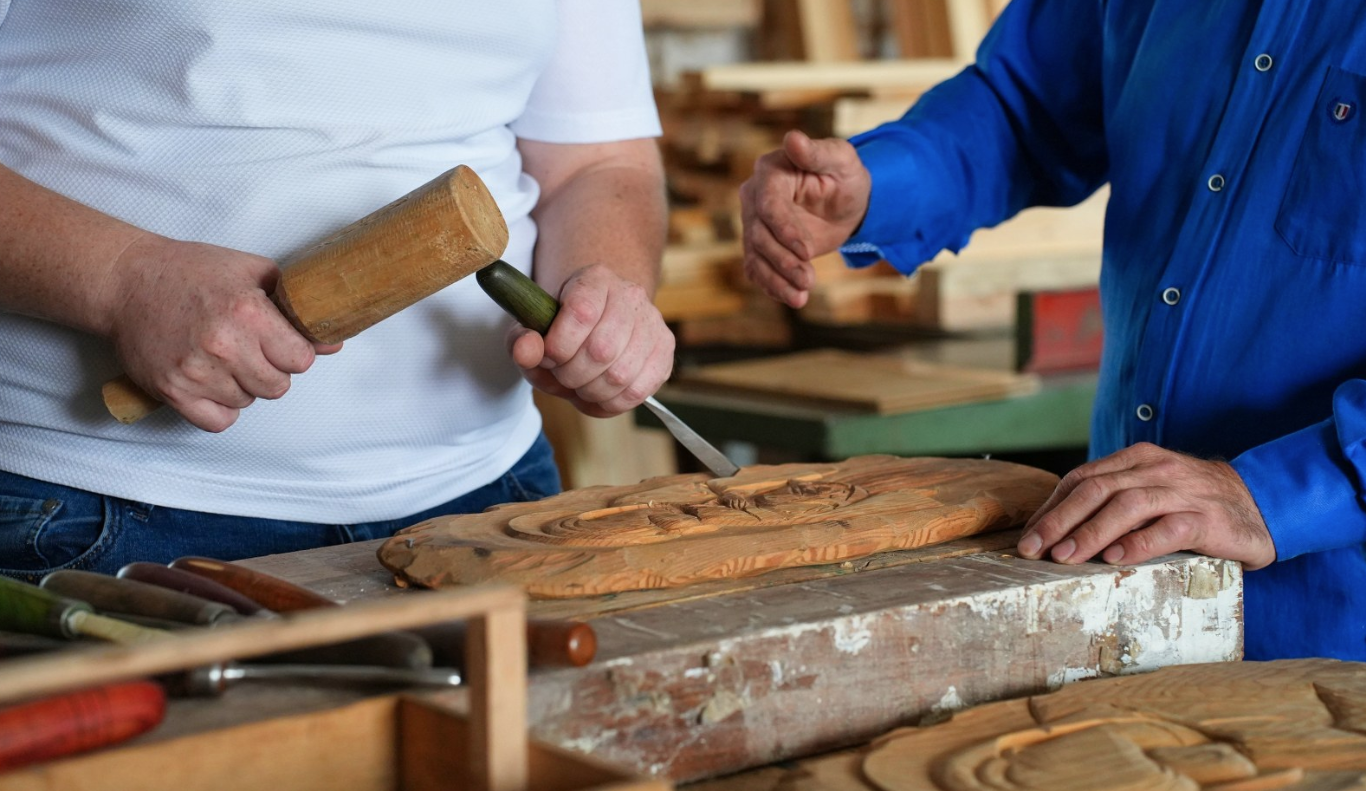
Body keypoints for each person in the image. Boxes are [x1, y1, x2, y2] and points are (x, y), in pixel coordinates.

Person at [740, 0, 1366, 660]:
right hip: (1118, 596)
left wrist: (1275, 493)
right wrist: (880, 186)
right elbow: (1025, 110)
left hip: (1334, 634)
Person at [0, 1, 674, 577]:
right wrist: (124, 278)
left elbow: (597, 160)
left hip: (491, 497)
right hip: (99, 510)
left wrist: (606, 290)